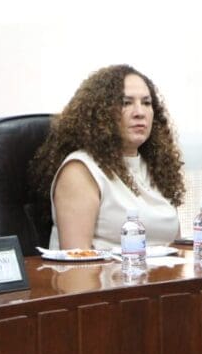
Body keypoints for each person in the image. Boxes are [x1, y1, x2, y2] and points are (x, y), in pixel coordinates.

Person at [32, 65, 184, 249]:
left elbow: (178, 249)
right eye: (126, 103)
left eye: (146, 103)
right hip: (106, 269)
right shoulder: (80, 170)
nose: (139, 112)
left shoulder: (158, 167)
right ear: (100, 112)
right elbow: (77, 260)